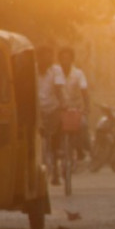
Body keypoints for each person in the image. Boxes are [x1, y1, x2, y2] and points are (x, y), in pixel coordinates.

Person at [37, 46, 66, 185]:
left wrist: (63, 103)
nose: (47, 59)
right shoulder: (31, 68)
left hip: (53, 108)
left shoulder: (56, 70)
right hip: (36, 109)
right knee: (36, 140)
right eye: (44, 56)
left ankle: (55, 171)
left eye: (49, 56)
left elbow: (59, 89)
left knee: (55, 141)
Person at [58, 47, 91, 160]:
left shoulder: (78, 74)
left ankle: (80, 149)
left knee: (83, 125)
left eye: (67, 59)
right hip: (59, 108)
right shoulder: (55, 72)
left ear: (72, 60)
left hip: (75, 108)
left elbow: (84, 91)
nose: (64, 61)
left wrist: (87, 107)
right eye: (62, 59)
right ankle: (56, 148)